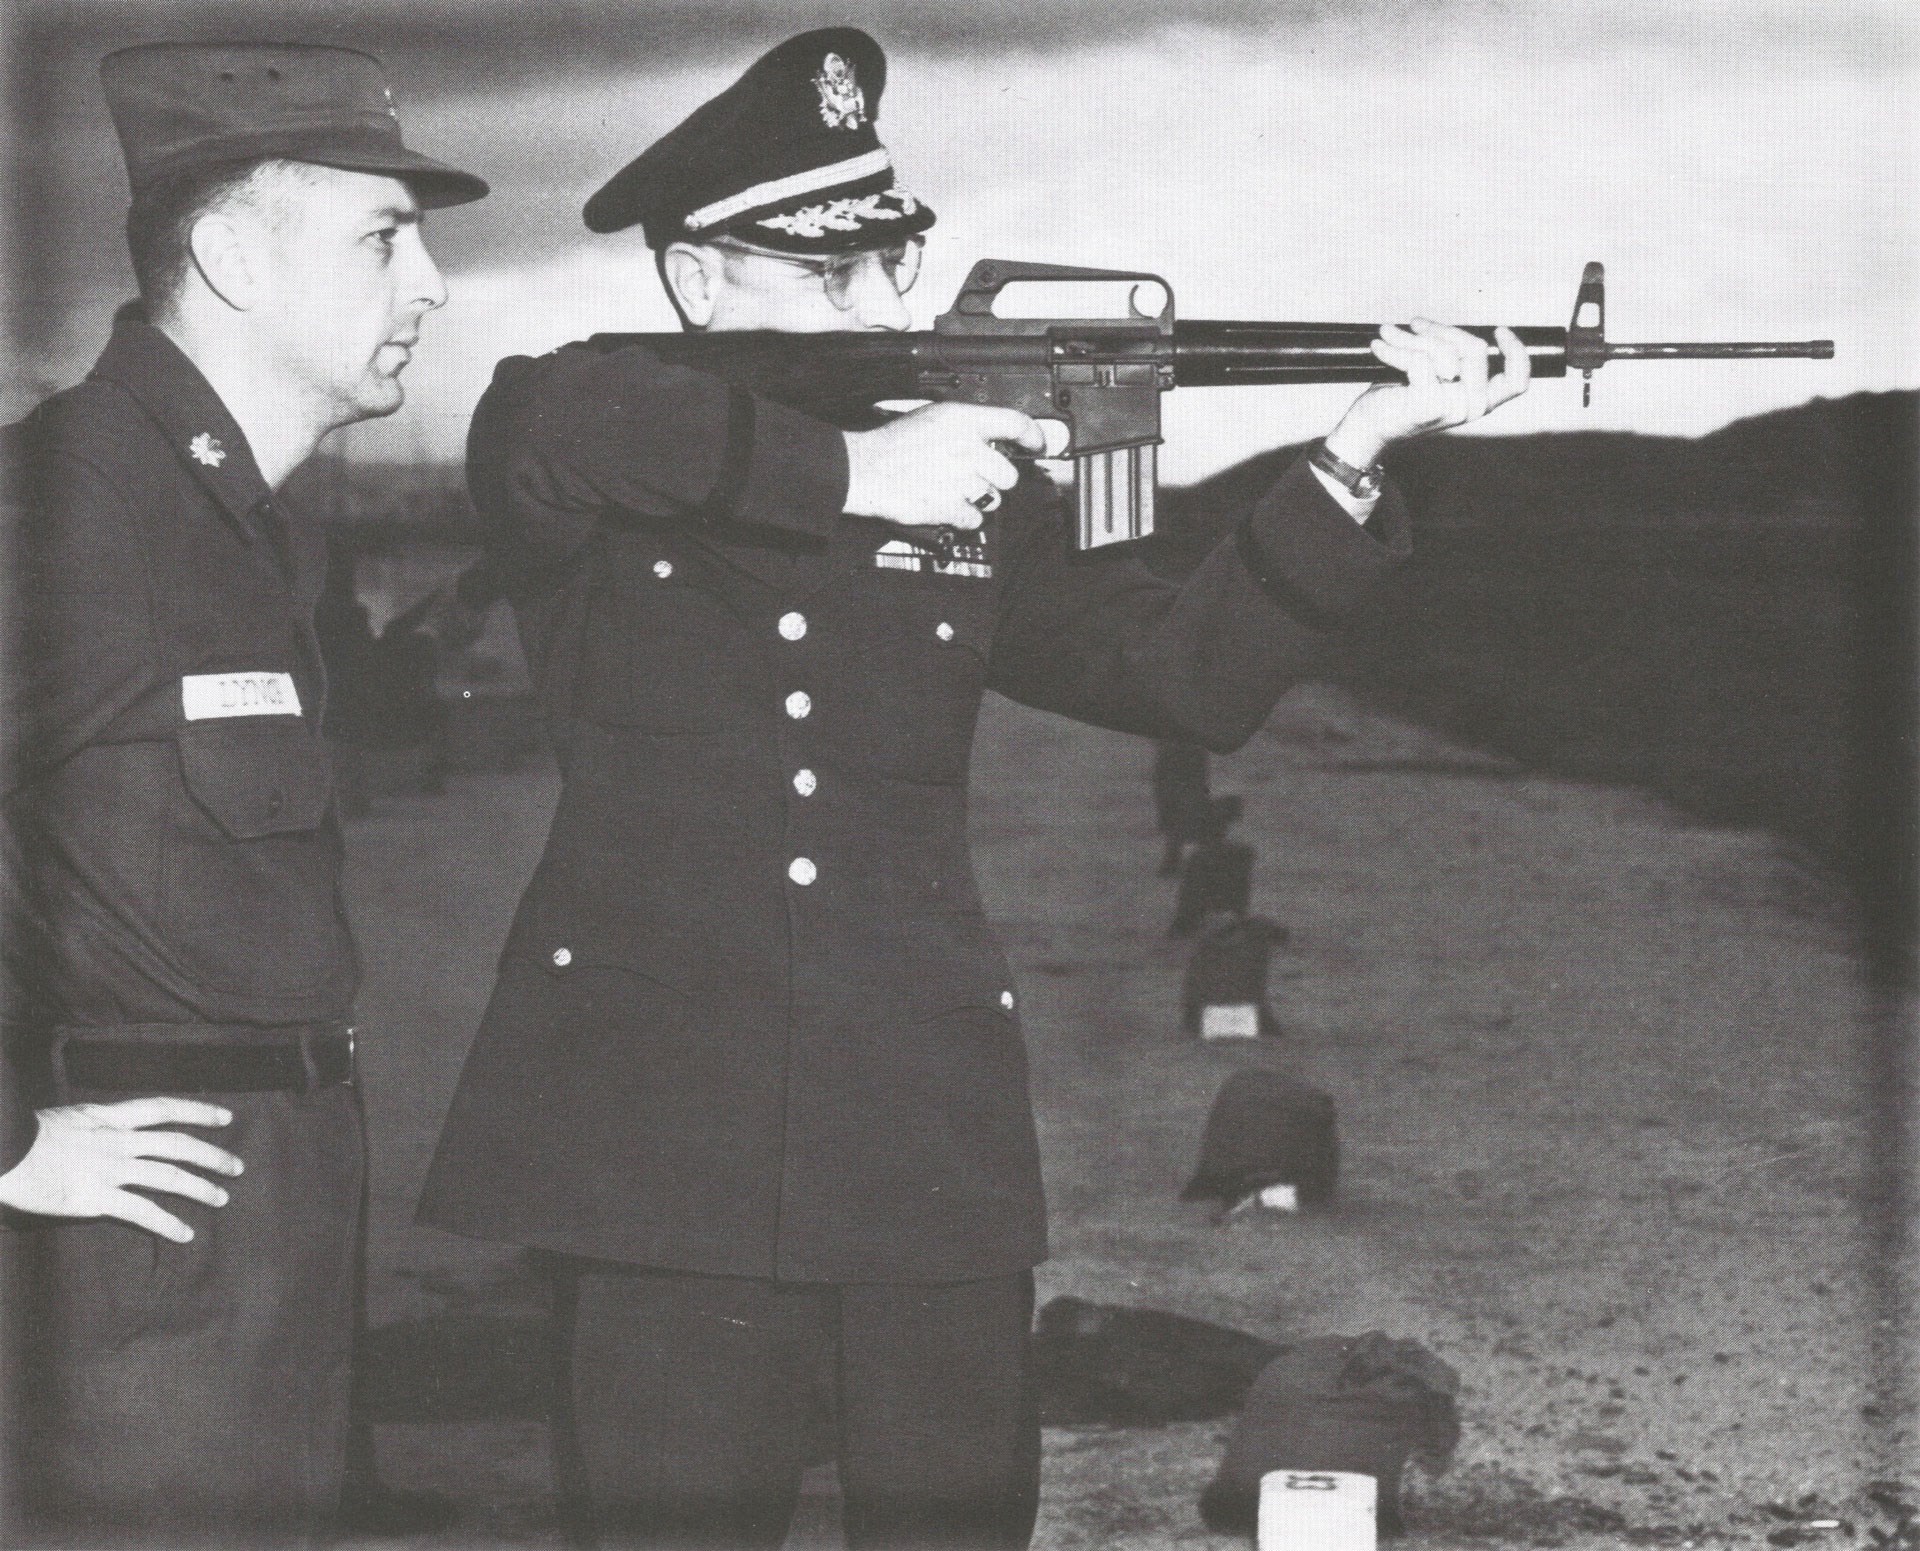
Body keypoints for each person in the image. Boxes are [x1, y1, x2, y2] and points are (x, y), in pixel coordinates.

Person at [417, 28, 1528, 1549]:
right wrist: (863, 473)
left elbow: (1177, 676)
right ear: (696, 281)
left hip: (918, 1120)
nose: (886, 304)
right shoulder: (607, 429)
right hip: (661, 1129)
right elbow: (542, 417)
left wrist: (1352, 451)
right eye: (831, 276)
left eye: (898, 260)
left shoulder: (971, 480)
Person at [0, 43, 485, 1547]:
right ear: (227, 256)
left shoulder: (225, 523)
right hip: (139, 1303)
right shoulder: (84, 504)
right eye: (382, 235)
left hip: (259, 1254)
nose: (434, 285)